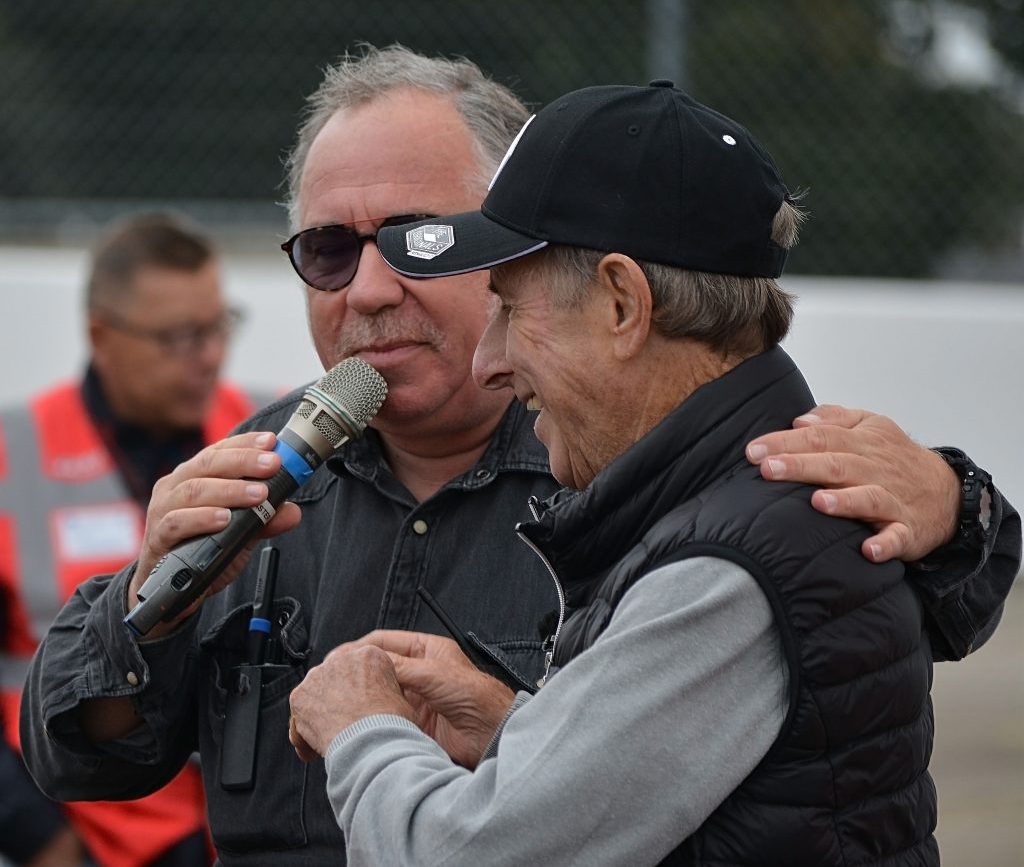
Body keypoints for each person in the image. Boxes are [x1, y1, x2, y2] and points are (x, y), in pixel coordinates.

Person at [18, 47, 1018, 865]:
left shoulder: (631, 466)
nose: (364, 289)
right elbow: (86, 761)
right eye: (327, 249)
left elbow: (867, 616)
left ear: (517, 249)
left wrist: (952, 506)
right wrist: (143, 605)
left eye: (415, 240)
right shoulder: (255, 470)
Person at [288, 80, 1023, 865]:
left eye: (509, 308)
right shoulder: (740, 511)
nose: (490, 360)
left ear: (622, 304)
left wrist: (363, 729)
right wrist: (522, 733)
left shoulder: (729, 564)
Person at [1, 212, 261, 866]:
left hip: (239, 834)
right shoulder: (13, 454)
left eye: (217, 327)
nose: (208, 356)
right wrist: (40, 839)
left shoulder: (267, 438)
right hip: (84, 834)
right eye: (179, 337)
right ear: (100, 335)